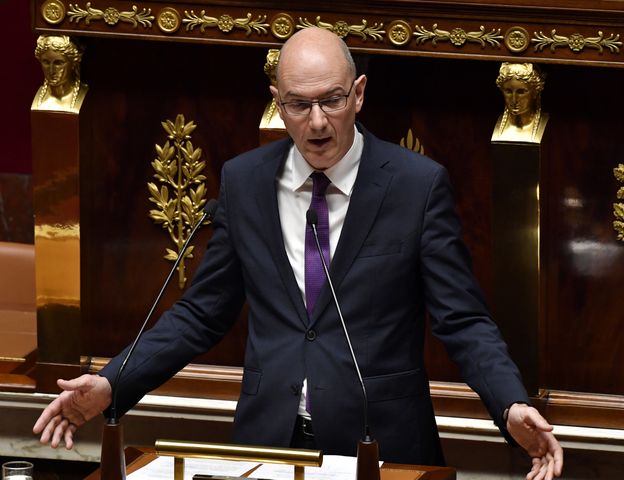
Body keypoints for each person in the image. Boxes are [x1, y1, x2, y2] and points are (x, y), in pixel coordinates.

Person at [33, 27, 563, 479]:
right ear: (276, 101)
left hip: (381, 448)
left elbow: (463, 319)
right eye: (299, 104)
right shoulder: (245, 182)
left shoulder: (415, 187)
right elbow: (202, 312)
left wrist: (510, 403)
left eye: (332, 100)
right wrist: (111, 382)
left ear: (358, 94)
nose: (316, 123)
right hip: (268, 445)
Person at [492, 62, 548, 143]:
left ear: (535, 92)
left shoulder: (546, 124)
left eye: (521, 92)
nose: (514, 100)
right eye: (508, 91)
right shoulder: (495, 126)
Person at [32, 35, 88, 113]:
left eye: (58, 63)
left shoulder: (83, 94)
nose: (51, 71)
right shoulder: (39, 100)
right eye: (46, 62)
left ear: (73, 63)